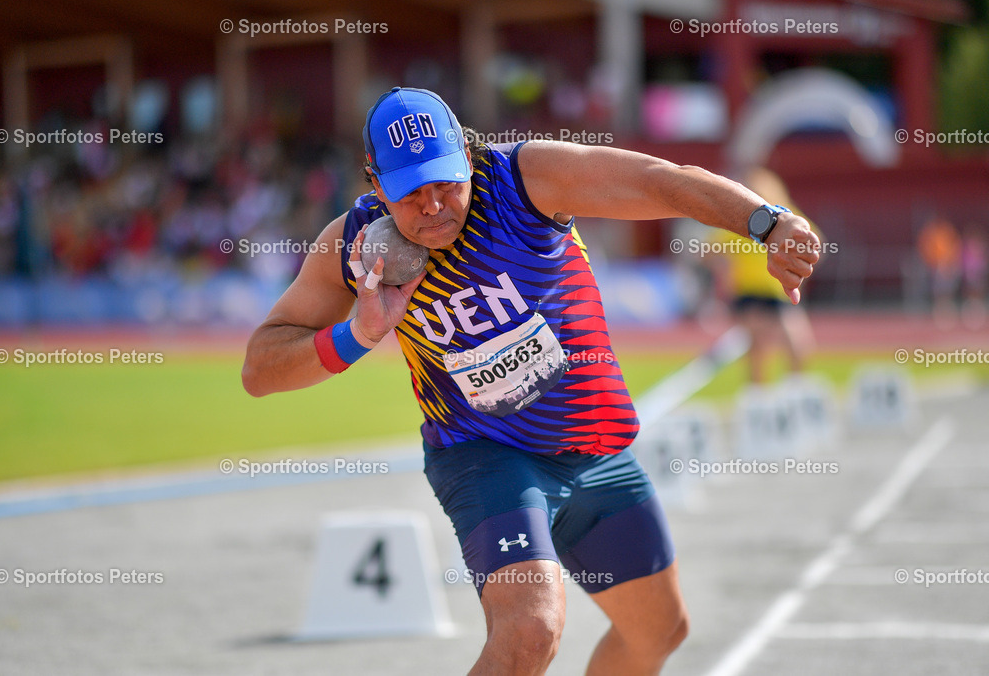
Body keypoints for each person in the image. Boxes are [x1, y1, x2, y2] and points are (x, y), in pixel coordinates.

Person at [242, 87, 820, 675]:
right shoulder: (355, 246)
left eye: (447, 180)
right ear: (374, 181)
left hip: (595, 447)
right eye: (412, 192)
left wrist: (767, 223)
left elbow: (660, 180)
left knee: (660, 631)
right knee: (531, 631)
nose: (436, 204)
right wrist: (359, 335)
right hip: (486, 456)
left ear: (466, 154)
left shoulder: (528, 180)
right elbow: (259, 369)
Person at [705, 167, 816, 385]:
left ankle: (796, 386)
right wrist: (724, 276)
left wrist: (799, 274)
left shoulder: (787, 216)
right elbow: (710, 251)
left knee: (796, 340)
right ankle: (758, 392)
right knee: (756, 344)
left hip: (778, 292)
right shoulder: (741, 219)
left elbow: (813, 245)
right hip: (748, 292)